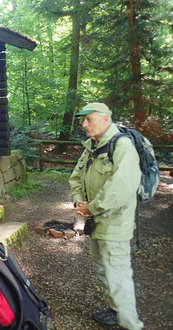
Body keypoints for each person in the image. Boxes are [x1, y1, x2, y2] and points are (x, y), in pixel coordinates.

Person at [70, 102, 144, 330]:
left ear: (105, 119)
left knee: (118, 275)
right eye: (83, 120)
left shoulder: (122, 146)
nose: (84, 124)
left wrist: (92, 207)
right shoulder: (92, 147)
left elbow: (121, 187)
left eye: (88, 119)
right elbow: (75, 177)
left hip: (115, 223)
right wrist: (79, 201)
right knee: (103, 270)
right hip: (96, 222)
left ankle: (131, 324)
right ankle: (115, 311)